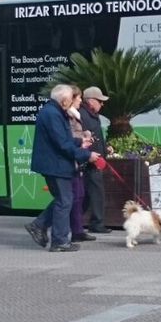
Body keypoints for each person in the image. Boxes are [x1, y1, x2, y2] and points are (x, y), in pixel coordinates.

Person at [25, 84, 100, 252]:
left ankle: (39, 226)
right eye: (70, 98)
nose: (73, 101)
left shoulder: (54, 112)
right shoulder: (53, 114)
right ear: (64, 99)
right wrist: (86, 155)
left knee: (66, 199)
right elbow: (62, 144)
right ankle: (58, 241)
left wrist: (80, 142)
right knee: (65, 201)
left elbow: (63, 139)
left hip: (56, 163)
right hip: (55, 164)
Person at [64, 87, 94, 243]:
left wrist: (85, 135)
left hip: (78, 160)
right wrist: (82, 141)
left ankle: (78, 229)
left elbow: (75, 135)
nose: (81, 101)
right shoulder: (68, 115)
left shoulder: (75, 115)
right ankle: (40, 224)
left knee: (80, 195)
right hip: (72, 160)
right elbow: (68, 138)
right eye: (79, 98)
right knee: (71, 197)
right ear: (71, 98)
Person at [79, 86, 110, 234]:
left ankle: (78, 222)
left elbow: (96, 137)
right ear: (91, 100)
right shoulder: (83, 115)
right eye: (100, 101)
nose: (102, 104)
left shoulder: (90, 114)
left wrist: (106, 148)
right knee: (95, 192)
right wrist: (91, 155)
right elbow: (84, 138)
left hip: (94, 159)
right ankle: (96, 223)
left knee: (87, 194)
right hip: (90, 161)